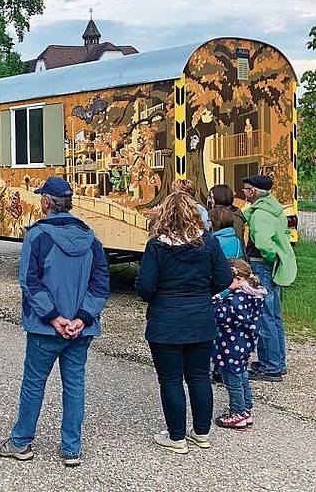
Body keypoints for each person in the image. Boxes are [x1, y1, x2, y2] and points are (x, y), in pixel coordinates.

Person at [0, 176, 110, 468]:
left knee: (34, 384)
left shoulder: (38, 235)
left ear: (46, 202)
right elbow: (101, 284)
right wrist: (81, 319)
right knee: (74, 385)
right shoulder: (91, 237)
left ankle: (21, 442)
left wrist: (55, 318)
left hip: (45, 327)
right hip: (80, 330)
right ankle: (72, 448)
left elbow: (29, 282)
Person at [135, 192, 232, 454]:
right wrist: (202, 292)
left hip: (166, 319)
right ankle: (201, 433)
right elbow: (224, 279)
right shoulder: (208, 244)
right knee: (199, 377)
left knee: (170, 380)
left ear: (165, 215)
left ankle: (176, 437)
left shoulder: (157, 246)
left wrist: (159, 298)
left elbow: (144, 285)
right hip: (200, 318)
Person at [241, 175, 297, 382]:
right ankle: (277, 361)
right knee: (274, 315)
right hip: (272, 265)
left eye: (246, 189)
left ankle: (270, 367)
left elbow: (264, 243)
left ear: (253, 192)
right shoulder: (274, 208)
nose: (244, 192)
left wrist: (268, 257)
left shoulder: (260, 214)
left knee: (264, 316)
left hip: (261, 264)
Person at [213, 258, 266, 430]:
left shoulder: (237, 299)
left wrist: (216, 299)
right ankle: (246, 409)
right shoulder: (253, 295)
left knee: (232, 381)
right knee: (242, 376)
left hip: (230, 346)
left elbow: (223, 316)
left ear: (235, 278)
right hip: (244, 345)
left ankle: (237, 413)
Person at [207, 184, 247, 251]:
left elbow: (235, 244)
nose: (209, 200)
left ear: (219, 197)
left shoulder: (235, 217)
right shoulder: (215, 214)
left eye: (211, 197)